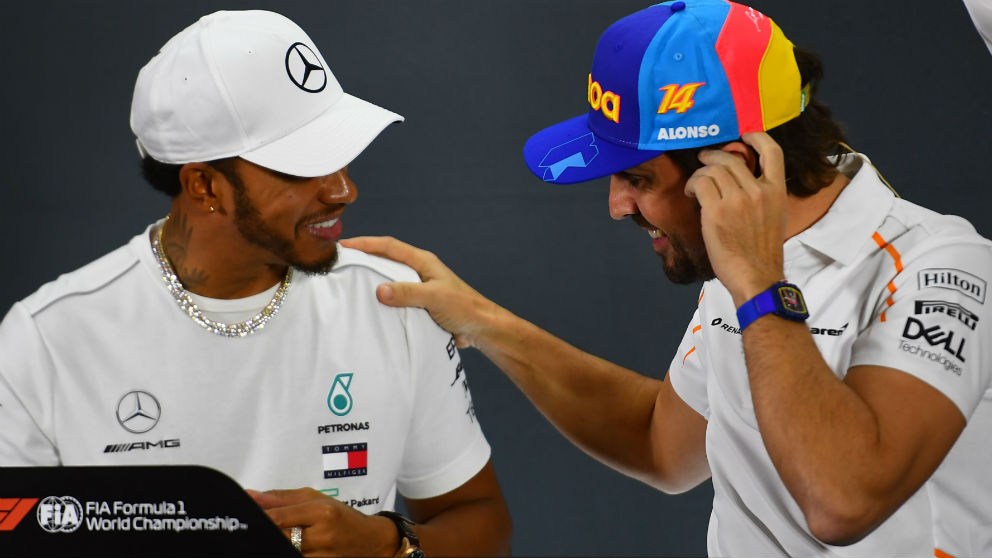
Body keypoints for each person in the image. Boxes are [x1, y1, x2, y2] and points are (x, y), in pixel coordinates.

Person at [344, 1, 992, 556]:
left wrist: (758, 283)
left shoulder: (943, 269)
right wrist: (485, 322)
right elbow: (662, 445)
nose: (617, 206)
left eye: (638, 179)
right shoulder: (740, 259)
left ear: (734, 168)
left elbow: (843, 501)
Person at [0, 10, 511, 557]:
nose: (343, 188)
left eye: (338, 153)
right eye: (304, 164)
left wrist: (389, 545)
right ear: (205, 186)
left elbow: (481, 524)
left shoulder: (394, 302)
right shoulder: (47, 339)